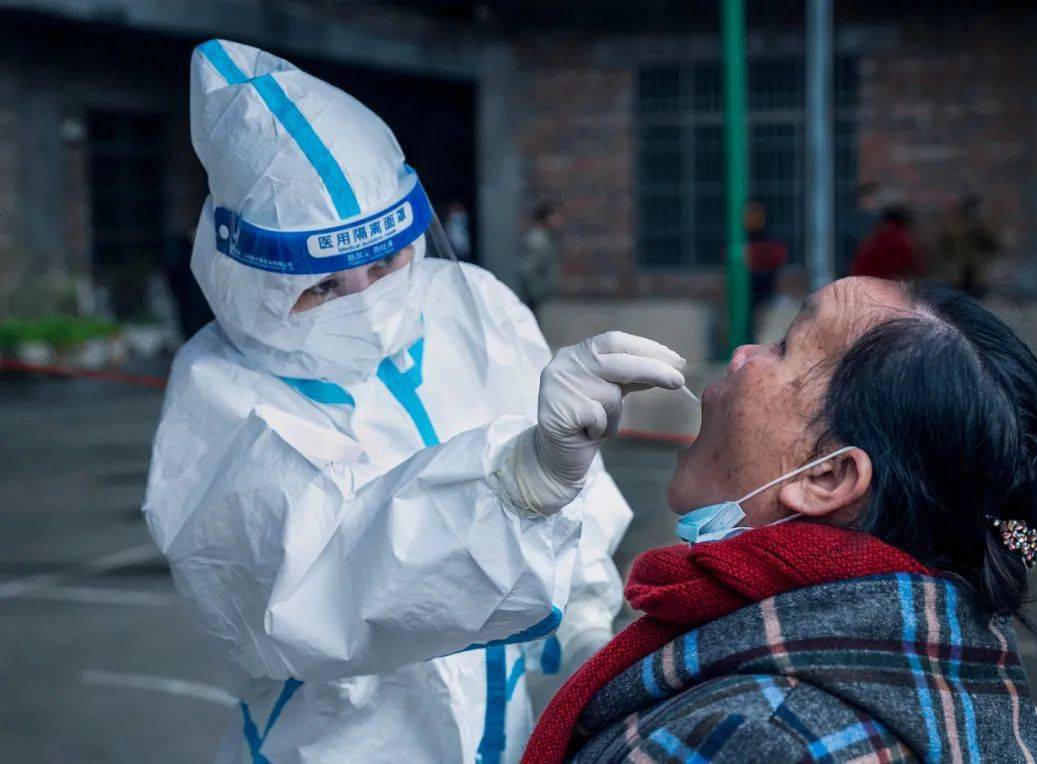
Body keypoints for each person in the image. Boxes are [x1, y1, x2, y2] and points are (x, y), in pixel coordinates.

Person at [142, 39, 687, 763]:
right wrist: (513, 484)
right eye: (325, 286)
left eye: (386, 261)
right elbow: (317, 592)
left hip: (513, 734)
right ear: (251, 278)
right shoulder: (221, 394)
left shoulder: (472, 307)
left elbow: (575, 506)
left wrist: (586, 625)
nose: (368, 301)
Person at [523, 277, 1037, 763]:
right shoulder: (950, 661)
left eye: (784, 347)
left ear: (827, 477)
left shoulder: (757, 735)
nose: (741, 355)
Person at [936, 193, 999, 298]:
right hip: (962, 272)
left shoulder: (979, 228)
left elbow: (993, 246)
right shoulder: (955, 228)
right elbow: (944, 248)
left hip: (972, 273)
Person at [743, 200, 789, 337]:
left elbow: (774, 266)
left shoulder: (770, 240)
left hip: (764, 293)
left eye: (754, 213)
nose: (750, 218)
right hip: (742, 294)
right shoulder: (739, 238)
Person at [851, 205, 925, 281]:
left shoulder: (872, 240)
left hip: (866, 284)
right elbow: (914, 268)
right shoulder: (902, 242)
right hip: (888, 286)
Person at [518, 202, 564, 314]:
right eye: (556, 215)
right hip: (534, 300)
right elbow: (528, 271)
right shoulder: (536, 240)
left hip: (539, 299)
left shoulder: (543, 238)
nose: (560, 220)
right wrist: (537, 295)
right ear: (546, 217)